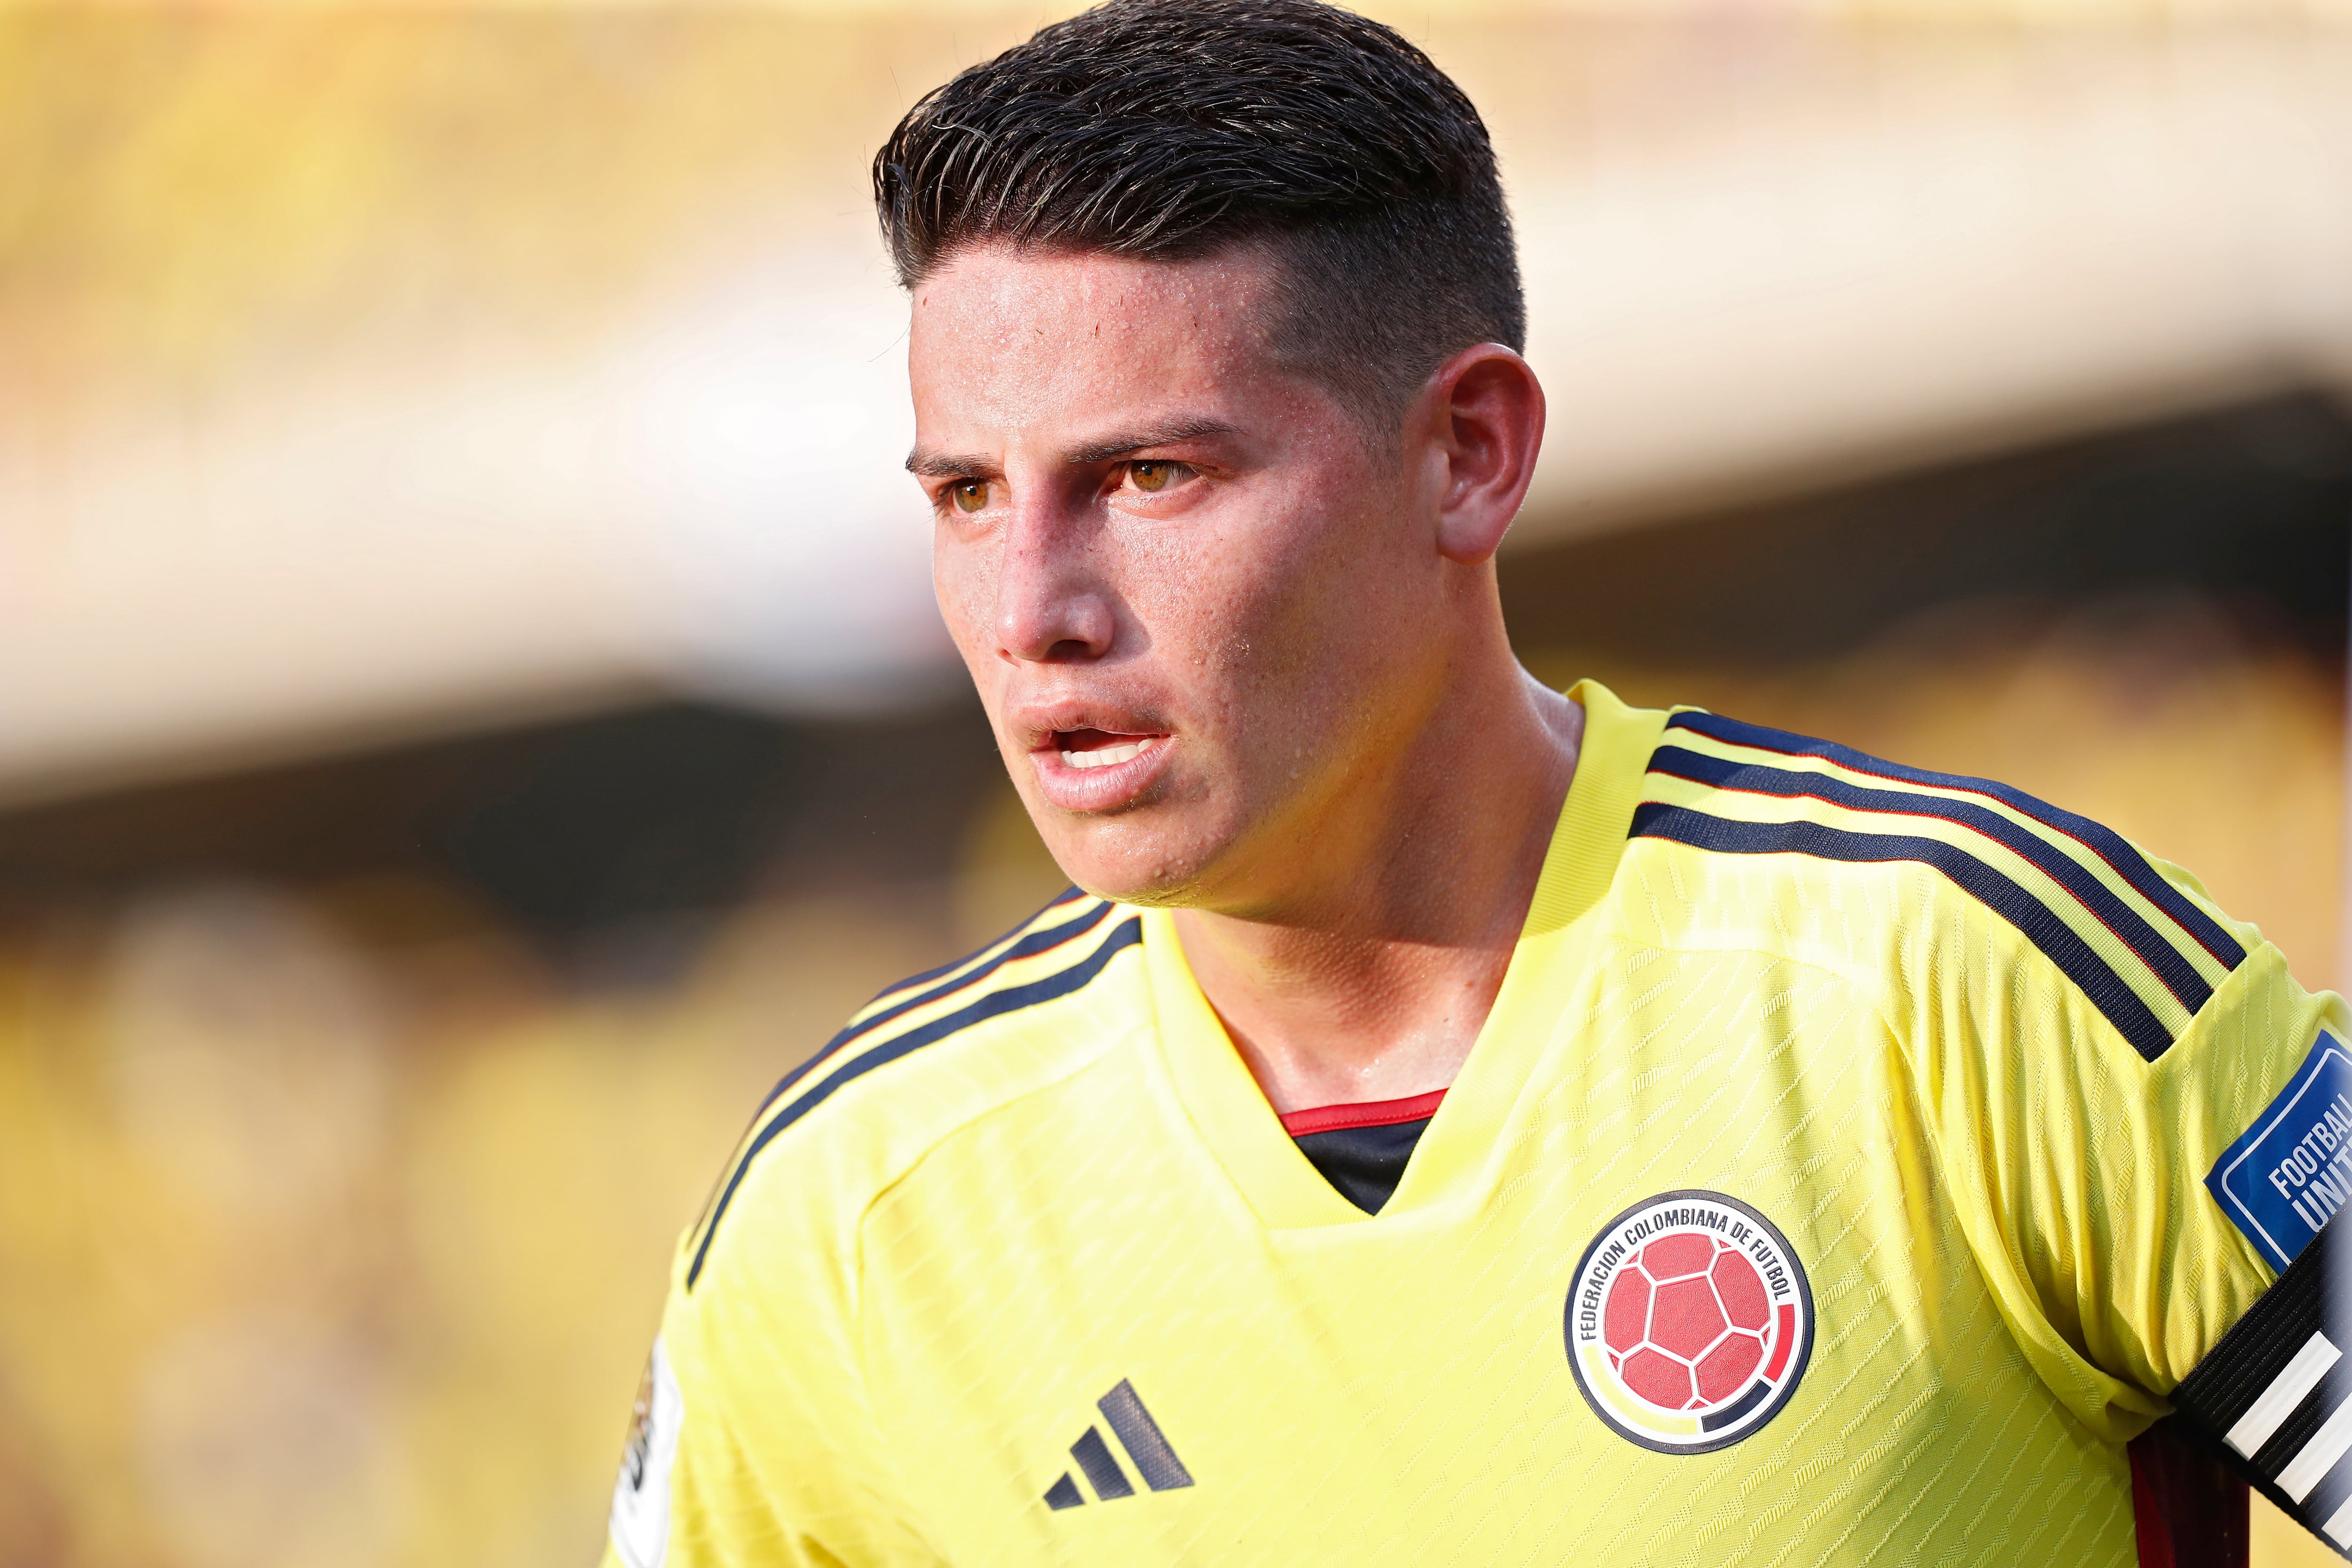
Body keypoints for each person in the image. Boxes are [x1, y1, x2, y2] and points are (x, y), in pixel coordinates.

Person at [601, 1, 2347, 1562]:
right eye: (969, 496)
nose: (1030, 611)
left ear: (1467, 453)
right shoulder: (850, 1214)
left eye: (1147, 476)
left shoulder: (1963, 985)